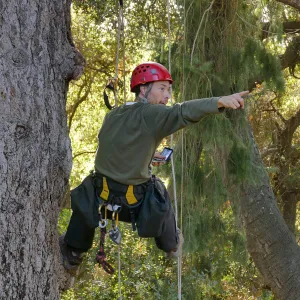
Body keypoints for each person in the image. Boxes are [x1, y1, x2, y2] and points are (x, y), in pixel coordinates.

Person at [59, 62, 248, 274]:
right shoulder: (152, 114)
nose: (167, 96)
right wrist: (219, 102)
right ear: (143, 89)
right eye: (162, 88)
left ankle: (73, 252)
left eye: (169, 90)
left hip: (101, 199)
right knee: (158, 189)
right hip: (134, 205)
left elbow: (113, 145)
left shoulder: (115, 114)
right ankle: (172, 244)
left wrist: (145, 155)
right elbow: (182, 112)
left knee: (86, 189)